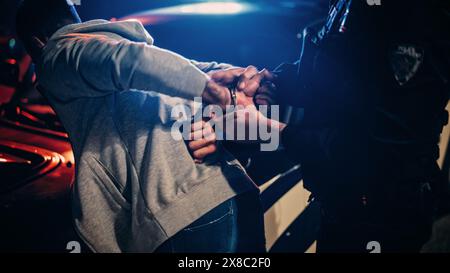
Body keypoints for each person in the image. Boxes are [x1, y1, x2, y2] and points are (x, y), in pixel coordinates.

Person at [15, 0, 269, 253]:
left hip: (184, 217)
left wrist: (223, 98)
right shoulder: (132, 50)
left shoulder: (57, 53)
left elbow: (133, 60)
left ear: (37, 43)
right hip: (232, 195)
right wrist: (245, 79)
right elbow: (204, 71)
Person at [202, 0, 450, 252]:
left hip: (382, 214)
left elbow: (384, 150)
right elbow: (336, 73)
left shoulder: (418, 15)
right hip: (341, 204)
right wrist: (274, 82)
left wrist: (271, 130)